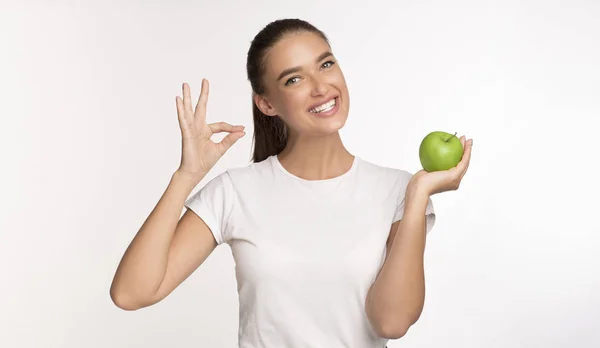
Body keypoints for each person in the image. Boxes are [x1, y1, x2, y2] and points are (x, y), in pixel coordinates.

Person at [109, 18, 473, 348]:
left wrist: (418, 195)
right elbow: (131, 293)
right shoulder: (235, 192)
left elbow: (390, 322)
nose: (321, 87)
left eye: (326, 64)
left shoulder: (398, 191)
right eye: (294, 79)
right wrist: (185, 176)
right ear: (267, 103)